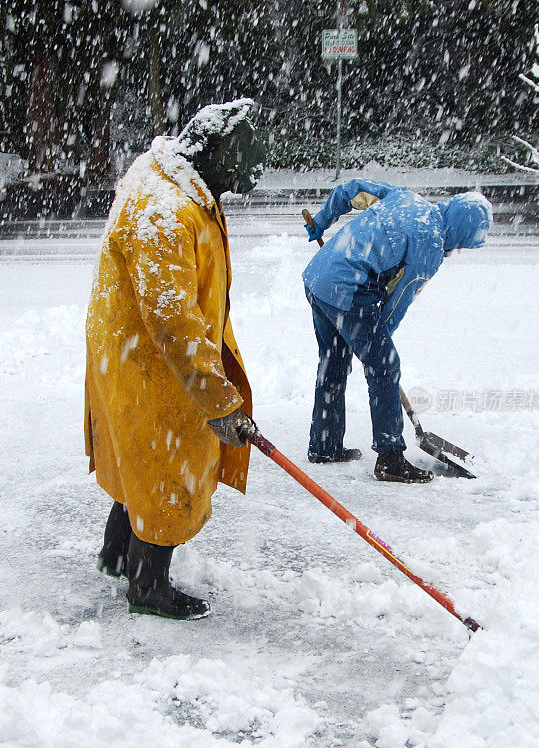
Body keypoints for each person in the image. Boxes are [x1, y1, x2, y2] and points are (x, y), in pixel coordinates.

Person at [85, 98, 265, 619]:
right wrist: (218, 398)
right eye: (246, 157)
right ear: (221, 149)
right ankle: (148, 586)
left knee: (139, 455)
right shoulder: (163, 209)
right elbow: (173, 322)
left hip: (130, 351)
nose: (253, 170)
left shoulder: (176, 179)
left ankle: (119, 553)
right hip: (150, 362)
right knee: (168, 463)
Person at [303, 180, 492, 483]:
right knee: (385, 365)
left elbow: (350, 190)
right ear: (460, 232)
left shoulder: (407, 197)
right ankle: (390, 458)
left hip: (318, 277)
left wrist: (323, 220)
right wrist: (377, 343)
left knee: (334, 360)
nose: (456, 251)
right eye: (462, 244)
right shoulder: (429, 246)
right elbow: (397, 302)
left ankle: (324, 446)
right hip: (348, 287)